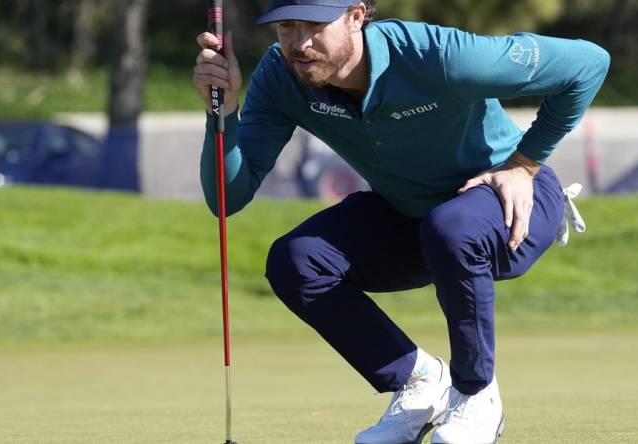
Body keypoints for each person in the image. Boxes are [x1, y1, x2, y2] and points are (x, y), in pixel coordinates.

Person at [192, 1, 609, 443]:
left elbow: (589, 63)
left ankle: (476, 394)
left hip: (513, 208)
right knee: (297, 260)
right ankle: (420, 381)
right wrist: (223, 111)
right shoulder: (282, 75)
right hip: (414, 219)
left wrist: (524, 164)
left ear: (357, 14)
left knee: (453, 227)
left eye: (315, 25)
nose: (300, 43)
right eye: (287, 27)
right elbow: (226, 198)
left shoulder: (440, 55)